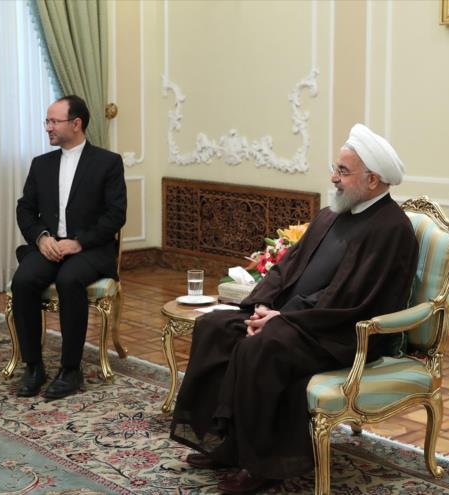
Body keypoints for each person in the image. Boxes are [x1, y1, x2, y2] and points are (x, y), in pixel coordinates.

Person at [170, 124, 419, 493]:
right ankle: (228, 443)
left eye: (343, 172)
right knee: (218, 326)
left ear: (372, 180)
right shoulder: (331, 214)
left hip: (341, 333)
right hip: (294, 318)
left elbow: (351, 300)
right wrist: (262, 306)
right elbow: (288, 266)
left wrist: (282, 319)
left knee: (262, 347)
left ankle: (263, 465)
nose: (333, 177)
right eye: (336, 168)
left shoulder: (390, 228)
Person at [11, 95, 126, 400]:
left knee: (69, 279)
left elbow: (116, 215)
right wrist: (42, 238)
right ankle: (34, 366)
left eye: (54, 121)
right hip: (49, 246)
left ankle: (70, 370)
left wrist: (79, 242)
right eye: (46, 121)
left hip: (91, 249)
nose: (48, 127)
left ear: (76, 124)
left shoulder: (107, 162)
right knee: (22, 281)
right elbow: (25, 209)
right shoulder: (41, 164)